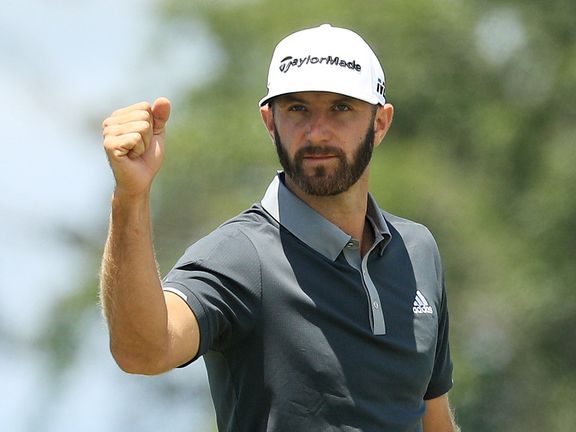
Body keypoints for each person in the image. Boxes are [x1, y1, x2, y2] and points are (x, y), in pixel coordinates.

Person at [100, 24, 459, 432]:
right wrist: (130, 197)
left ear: (379, 123)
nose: (317, 131)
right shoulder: (241, 256)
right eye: (297, 109)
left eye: (341, 108)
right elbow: (142, 351)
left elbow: (433, 421)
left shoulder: (417, 251)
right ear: (270, 121)